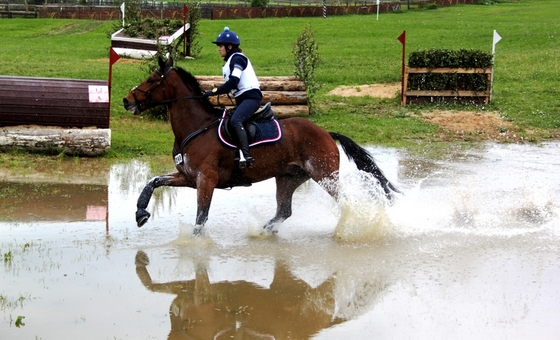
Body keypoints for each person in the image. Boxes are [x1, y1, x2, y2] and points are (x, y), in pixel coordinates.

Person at [204, 27, 262, 169]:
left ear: (229, 47)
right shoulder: (230, 60)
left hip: (251, 97)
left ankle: (246, 155)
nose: (219, 49)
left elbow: (234, 82)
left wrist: (214, 91)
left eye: (221, 46)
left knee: (236, 120)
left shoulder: (237, 59)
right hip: (243, 99)